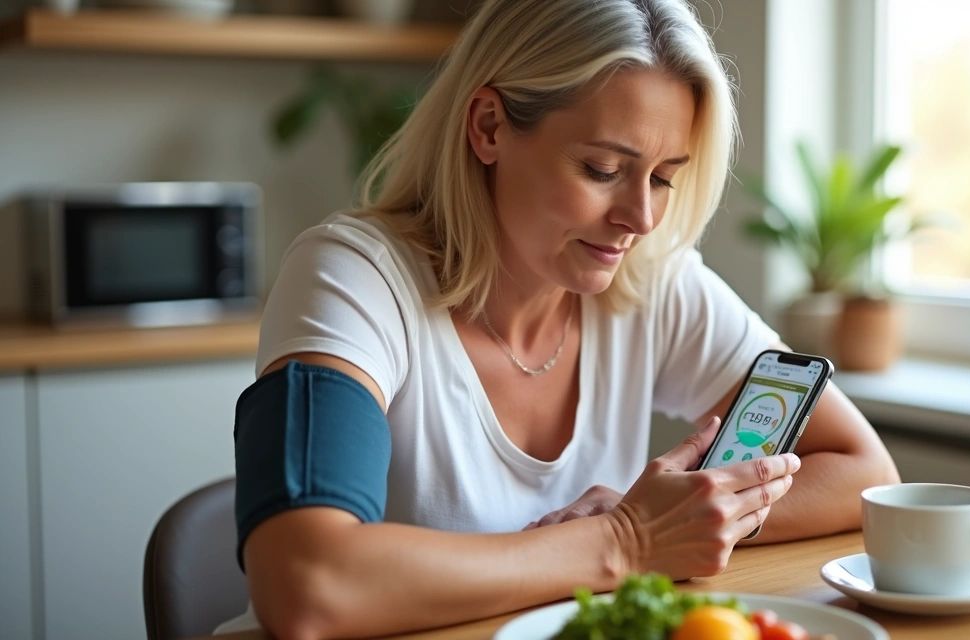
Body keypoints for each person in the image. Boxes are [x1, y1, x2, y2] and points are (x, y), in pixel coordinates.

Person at [218, 0, 899, 637]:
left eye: (663, 177)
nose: (641, 217)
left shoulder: (651, 282)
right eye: (603, 168)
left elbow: (863, 470)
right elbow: (306, 583)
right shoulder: (353, 280)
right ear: (488, 127)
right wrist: (624, 541)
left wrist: (686, 524)